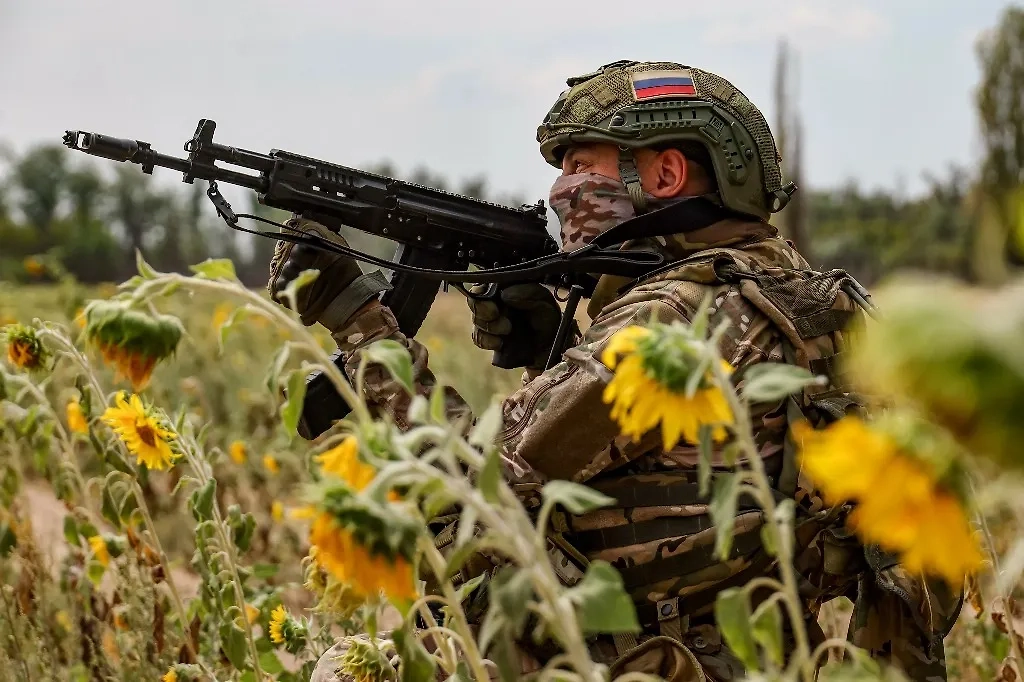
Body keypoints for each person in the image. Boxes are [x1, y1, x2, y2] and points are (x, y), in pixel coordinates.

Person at [270, 61, 962, 681]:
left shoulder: (665, 322)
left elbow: (469, 498)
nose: (559, 188)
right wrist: (560, 339)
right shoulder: (810, 300)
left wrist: (360, 323)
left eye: (579, 163)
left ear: (664, 175)